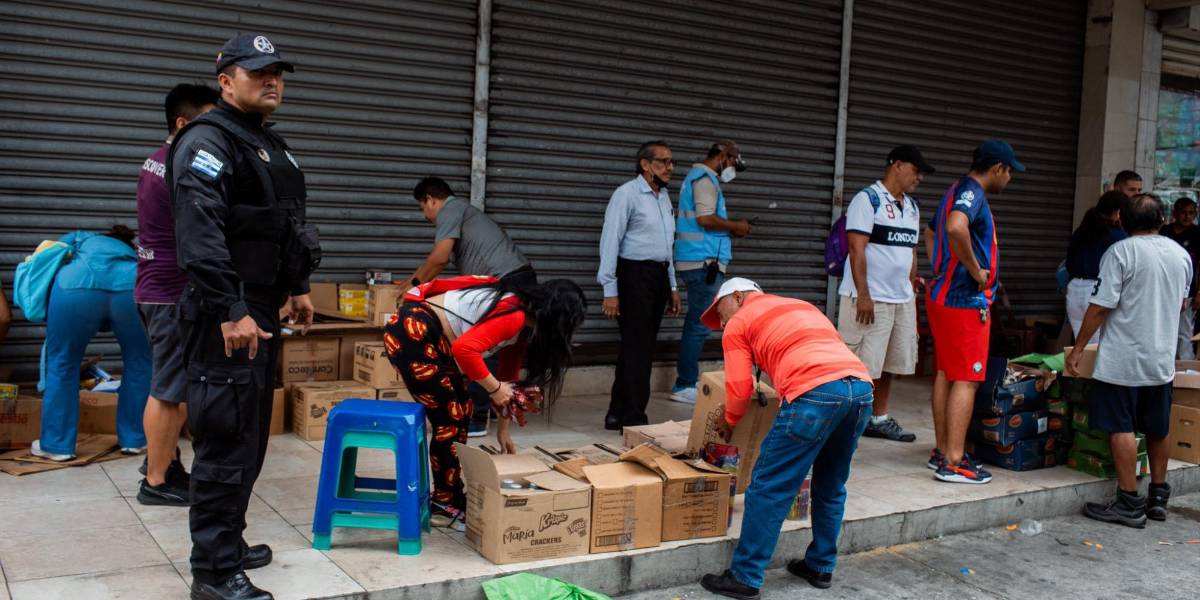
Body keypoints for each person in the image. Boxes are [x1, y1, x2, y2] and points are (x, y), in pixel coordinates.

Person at [169, 33, 318, 600]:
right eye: (258, 72)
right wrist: (229, 307)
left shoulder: (266, 143)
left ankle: (227, 544)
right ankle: (212, 573)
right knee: (225, 444)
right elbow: (199, 231)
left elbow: (282, 224)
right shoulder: (208, 140)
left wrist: (297, 286)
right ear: (226, 81)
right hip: (224, 312)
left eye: (277, 72)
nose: (271, 80)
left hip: (258, 306)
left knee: (250, 440)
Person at [696, 278, 873, 598]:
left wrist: (729, 421)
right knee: (831, 484)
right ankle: (821, 565)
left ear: (738, 297)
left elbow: (739, 389)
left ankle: (745, 576)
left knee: (769, 486)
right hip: (860, 390)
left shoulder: (739, 321)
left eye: (720, 312)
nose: (721, 324)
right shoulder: (802, 305)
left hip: (814, 394)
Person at [383, 276, 586, 522]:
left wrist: (503, 429)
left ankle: (451, 494)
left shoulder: (522, 322)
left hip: (431, 336)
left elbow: (507, 375)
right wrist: (494, 388)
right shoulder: (514, 315)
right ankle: (443, 503)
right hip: (413, 331)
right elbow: (465, 350)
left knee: (463, 410)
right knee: (450, 420)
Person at [1066, 194, 1190, 528]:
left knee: (1121, 425)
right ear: (1162, 219)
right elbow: (1181, 304)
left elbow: (1100, 306)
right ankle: (1158, 498)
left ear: (1121, 220)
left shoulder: (1120, 252)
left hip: (1124, 360)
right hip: (1161, 360)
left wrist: (1078, 348)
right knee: (1158, 427)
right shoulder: (1180, 255)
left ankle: (1129, 502)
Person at [135, 83, 219, 507]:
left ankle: (164, 462)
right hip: (169, 293)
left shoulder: (157, 160)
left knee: (176, 387)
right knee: (168, 392)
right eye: (208, 122)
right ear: (182, 124)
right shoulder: (180, 165)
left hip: (157, 288)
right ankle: (156, 480)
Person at [403, 176, 537, 437]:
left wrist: (412, 286)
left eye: (423, 208)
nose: (426, 216)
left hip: (508, 280)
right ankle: (498, 408)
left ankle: (476, 415)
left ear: (431, 200)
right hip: (514, 278)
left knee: (486, 347)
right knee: (503, 347)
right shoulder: (464, 212)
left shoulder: (450, 209)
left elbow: (439, 258)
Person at [923, 139, 1023, 485]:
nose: (1009, 178)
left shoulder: (956, 189)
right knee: (967, 378)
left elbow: (931, 231)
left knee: (946, 373)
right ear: (997, 168)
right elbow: (954, 227)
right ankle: (954, 461)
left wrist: (942, 267)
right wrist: (975, 270)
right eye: (1009, 171)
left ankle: (942, 450)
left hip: (944, 296)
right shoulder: (972, 193)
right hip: (964, 301)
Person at [836, 145, 935, 443]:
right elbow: (857, 249)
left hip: (900, 299)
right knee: (860, 364)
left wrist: (911, 285)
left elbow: (911, 250)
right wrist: (864, 295)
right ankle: (847, 421)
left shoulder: (912, 206)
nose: (919, 178)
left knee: (890, 363)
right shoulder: (868, 200)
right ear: (898, 165)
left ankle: (878, 418)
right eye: (916, 170)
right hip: (870, 298)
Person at [32, 226, 151, 461]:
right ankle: (134, 439)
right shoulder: (135, 252)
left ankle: (57, 445)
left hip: (75, 284)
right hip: (130, 287)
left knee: (62, 362)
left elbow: (48, 253)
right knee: (140, 362)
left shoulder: (80, 238)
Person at [598, 140, 681, 430]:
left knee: (635, 347)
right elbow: (610, 241)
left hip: (658, 276)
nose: (670, 168)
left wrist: (672, 286)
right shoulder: (626, 195)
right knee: (639, 349)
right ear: (646, 165)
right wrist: (610, 290)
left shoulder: (663, 197)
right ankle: (634, 418)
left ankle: (616, 413)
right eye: (664, 162)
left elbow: (667, 246)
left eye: (671, 162)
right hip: (633, 275)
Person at [669, 140, 751, 405]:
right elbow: (704, 219)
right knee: (699, 324)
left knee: (697, 322)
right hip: (702, 261)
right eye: (733, 161)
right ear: (724, 156)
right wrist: (735, 226)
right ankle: (684, 384)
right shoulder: (704, 179)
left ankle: (686, 380)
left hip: (700, 259)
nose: (733, 168)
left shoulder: (700, 178)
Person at [1064, 191, 1127, 344]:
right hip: (1098, 292)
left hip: (1074, 290)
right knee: (1099, 347)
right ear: (1118, 213)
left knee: (1082, 345)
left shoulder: (1081, 231)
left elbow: (1069, 263)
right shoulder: (1118, 236)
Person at [1159, 196, 1200, 360]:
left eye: (1191, 213)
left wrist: (1199, 293)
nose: (1187, 216)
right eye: (1183, 212)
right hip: (1162, 289)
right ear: (1175, 213)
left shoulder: (1197, 234)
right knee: (1162, 327)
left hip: (1187, 291)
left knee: (1184, 331)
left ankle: (1185, 364)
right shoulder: (1164, 232)